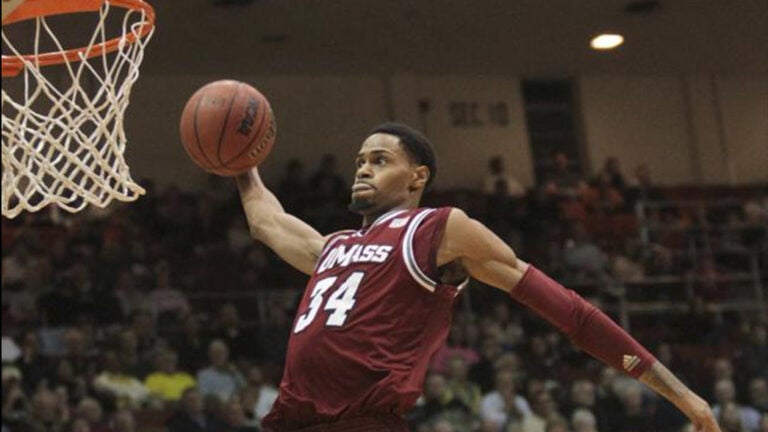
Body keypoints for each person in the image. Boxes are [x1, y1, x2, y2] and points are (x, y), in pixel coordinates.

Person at [235, 122, 720, 431]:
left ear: (417, 177)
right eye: (360, 161)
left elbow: (572, 314)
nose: (363, 169)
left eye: (380, 160)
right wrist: (241, 163)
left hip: (361, 422)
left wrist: (683, 396)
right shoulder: (334, 246)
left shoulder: (438, 229)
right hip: (289, 422)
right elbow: (266, 222)